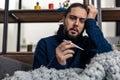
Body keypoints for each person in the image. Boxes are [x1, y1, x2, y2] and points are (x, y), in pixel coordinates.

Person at [32, 3, 112, 70]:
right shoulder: (44, 44)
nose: (76, 24)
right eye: (72, 18)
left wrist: (91, 22)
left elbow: (110, 59)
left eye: (82, 20)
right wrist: (57, 63)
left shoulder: (89, 44)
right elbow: (37, 76)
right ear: (63, 19)